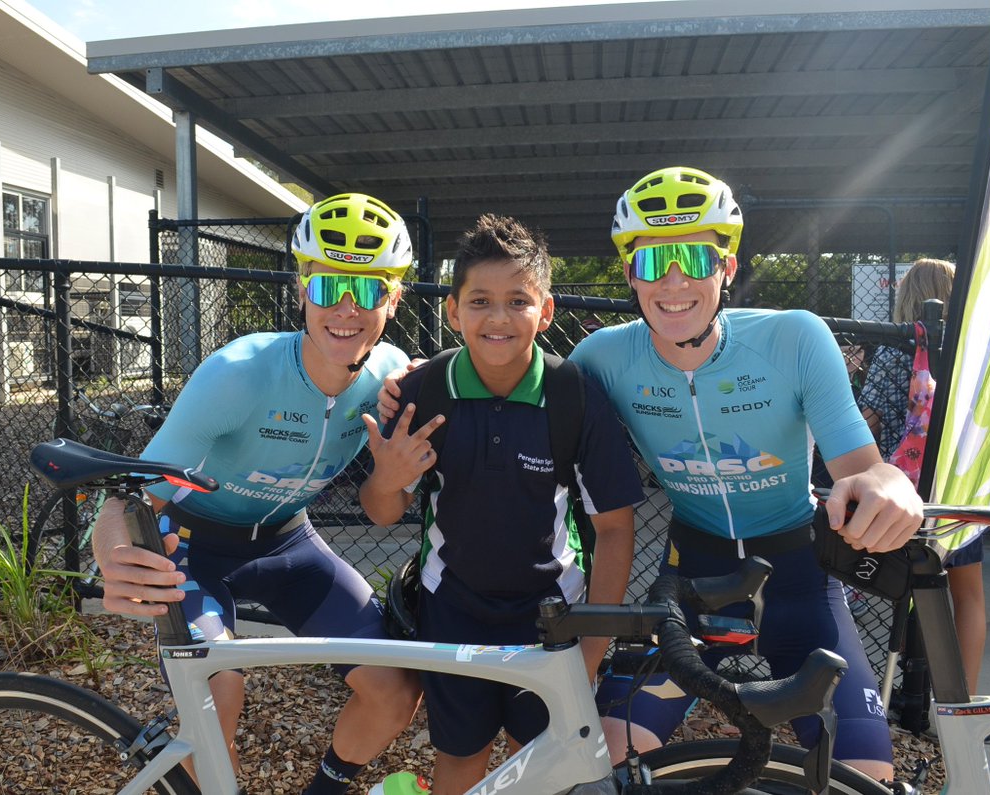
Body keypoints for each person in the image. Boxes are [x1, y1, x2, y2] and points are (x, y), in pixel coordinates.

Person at [565, 167, 924, 783]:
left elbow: (864, 469)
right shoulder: (602, 356)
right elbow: (516, 398)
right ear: (629, 275)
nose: (673, 282)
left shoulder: (794, 337)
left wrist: (891, 487)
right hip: (692, 582)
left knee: (866, 776)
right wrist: (415, 381)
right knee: (601, 753)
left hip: (800, 580)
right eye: (653, 263)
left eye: (694, 258)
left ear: (726, 268)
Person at [91, 193, 425, 795]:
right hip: (195, 545)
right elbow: (126, 499)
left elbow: (384, 509)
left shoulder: (392, 375)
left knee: (395, 690)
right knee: (220, 692)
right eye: (328, 288)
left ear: (394, 298)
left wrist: (396, 472)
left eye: (369, 289)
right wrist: (114, 556)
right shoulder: (238, 373)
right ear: (302, 288)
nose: (346, 309)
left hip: (288, 543)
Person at [359, 215, 644, 795]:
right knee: (459, 762)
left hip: (550, 616)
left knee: (536, 767)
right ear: (453, 311)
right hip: (452, 610)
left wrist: (592, 647)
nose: (497, 317)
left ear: (545, 312)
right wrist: (386, 480)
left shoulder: (574, 397)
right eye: (480, 300)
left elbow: (614, 528)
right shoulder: (422, 391)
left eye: (518, 300)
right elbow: (382, 511)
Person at [856, 258, 989, 692]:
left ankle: (889, 686)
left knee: (892, 584)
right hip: (959, 487)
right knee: (967, 593)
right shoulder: (972, 353)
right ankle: (959, 700)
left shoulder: (896, 348)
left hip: (904, 490)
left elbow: (868, 420)